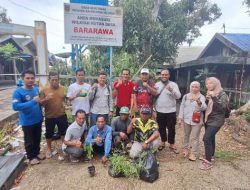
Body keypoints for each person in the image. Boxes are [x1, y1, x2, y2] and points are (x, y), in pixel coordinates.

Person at [12, 70, 45, 165]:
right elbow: (16, 107)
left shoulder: (35, 89)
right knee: (29, 140)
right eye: (28, 78)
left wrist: (43, 102)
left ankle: (37, 153)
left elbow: (38, 102)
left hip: (37, 119)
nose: (30, 80)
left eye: (32, 78)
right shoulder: (18, 92)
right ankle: (31, 157)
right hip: (27, 121)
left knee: (37, 137)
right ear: (23, 79)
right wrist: (33, 102)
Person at [200, 77, 229, 170]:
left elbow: (222, 107)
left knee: (206, 139)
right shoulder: (210, 93)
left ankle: (208, 161)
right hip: (208, 118)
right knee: (211, 138)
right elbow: (208, 107)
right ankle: (211, 156)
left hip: (217, 120)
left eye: (211, 83)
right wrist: (205, 100)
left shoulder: (222, 94)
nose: (208, 85)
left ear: (216, 84)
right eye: (207, 84)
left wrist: (213, 97)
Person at [40, 72, 68, 159]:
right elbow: (40, 103)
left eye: (56, 80)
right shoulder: (44, 90)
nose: (55, 81)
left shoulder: (63, 88)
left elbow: (66, 99)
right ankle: (49, 149)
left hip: (61, 114)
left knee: (63, 132)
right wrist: (46, 99)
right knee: (49, 134)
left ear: (59, 80)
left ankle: (64, 147)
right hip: (49, 116)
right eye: (53, 80)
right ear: (49, 80)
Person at [178, 81, 207, 161]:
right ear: (190, 87)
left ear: (199, 88)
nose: (194, 88)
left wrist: (198, 101)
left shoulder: (201, 97)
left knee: (195, 137)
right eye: (193, 86)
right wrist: (180, 118)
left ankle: (193, 153)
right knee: (186, 135)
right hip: (187, 119)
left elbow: (204, 107)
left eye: (196, 87)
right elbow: (182, 107)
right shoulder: (186, 96)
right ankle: (185, 149)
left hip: (197, 120)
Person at [155, 69, 181, 153]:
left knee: (171, 128)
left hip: (171, 111)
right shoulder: (156, 85)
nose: (164, 76)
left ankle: (171, 143)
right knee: (161, 127)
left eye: (166, 75)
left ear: (169, 75)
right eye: (163, 74)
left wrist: (171, 90)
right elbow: (154, 95)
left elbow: (178, 96)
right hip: (160, 110)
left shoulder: (173, 84)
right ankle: (163, 142)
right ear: (160, 75)